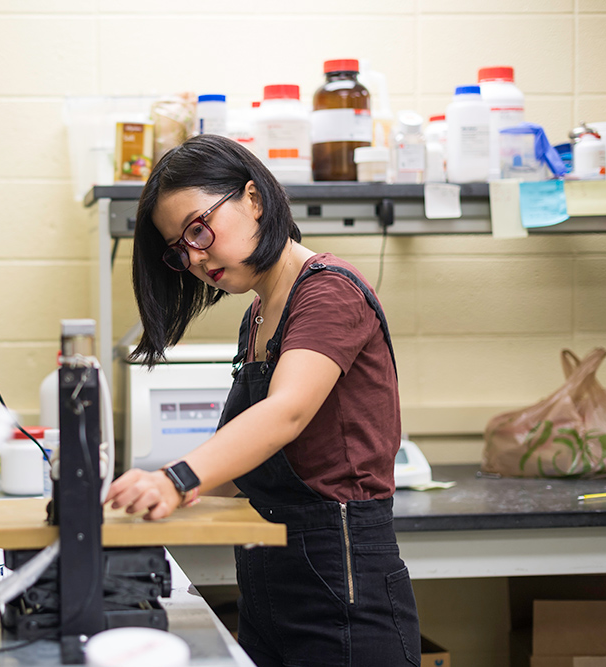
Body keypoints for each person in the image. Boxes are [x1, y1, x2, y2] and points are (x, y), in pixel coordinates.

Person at [104, 134, 420, 667]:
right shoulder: (257, 315)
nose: (196, 257)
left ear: (253, 198)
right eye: (181, 250)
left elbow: (286, 413)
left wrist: (177, 479)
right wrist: (147, 498)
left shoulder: (328, 291)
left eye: (199, 230)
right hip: (270, 586)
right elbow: (245, 467)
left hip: (342, 586)